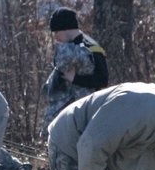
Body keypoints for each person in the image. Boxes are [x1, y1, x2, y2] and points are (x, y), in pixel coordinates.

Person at [41, 7, 109, 136]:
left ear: (65, 28)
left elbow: (102, 79)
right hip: (64, 117)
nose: (55, 37)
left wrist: (75, 79)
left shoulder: (91, 46)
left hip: (85, 113)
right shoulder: (65, 48)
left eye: (56, 32)